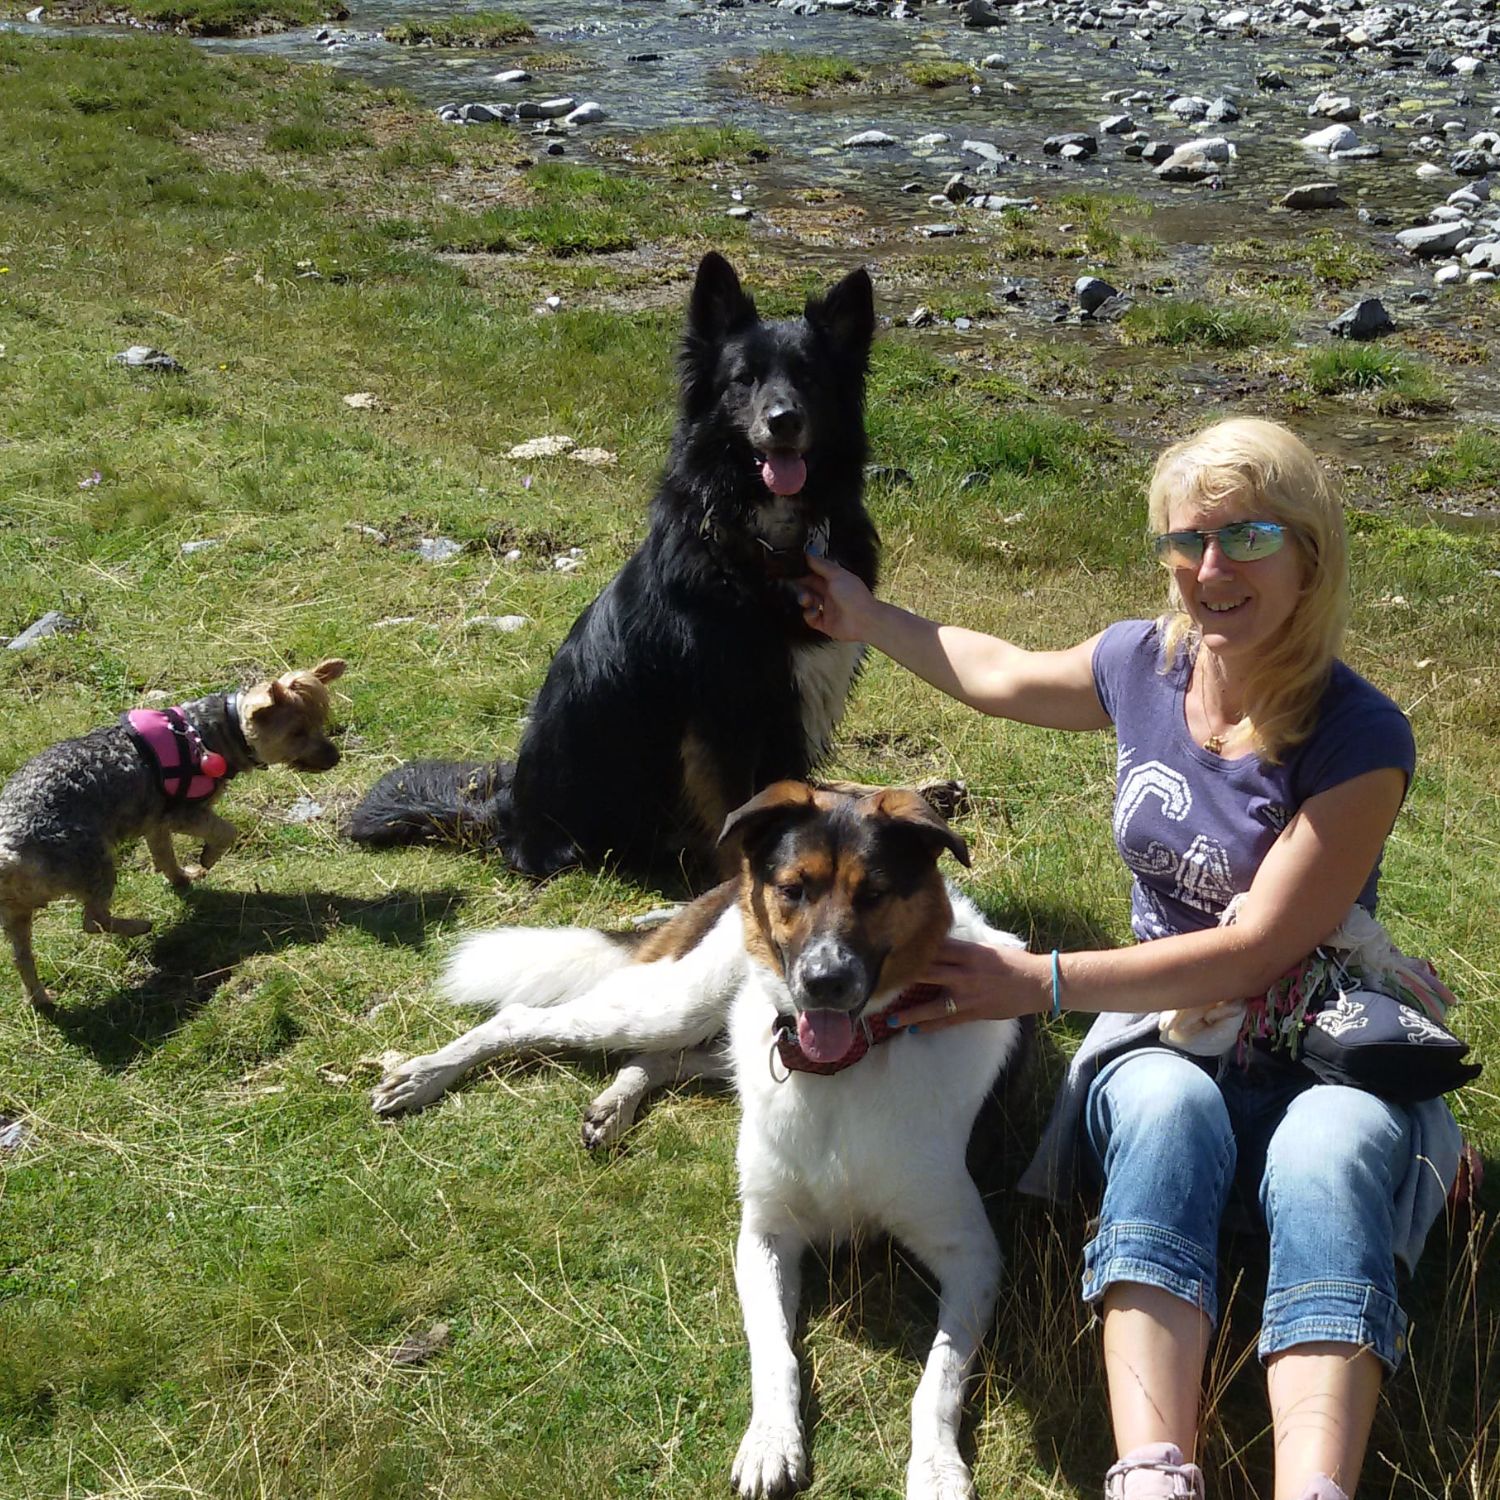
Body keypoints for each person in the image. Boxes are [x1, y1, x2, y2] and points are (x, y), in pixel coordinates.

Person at [796, 417, 1463, 1500]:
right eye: (1186, 539)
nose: (1212, 568)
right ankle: (1152, 1474)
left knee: (1327, 1156)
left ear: (1310, 553)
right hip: (1166, 1030)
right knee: (1164, 1115)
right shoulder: (1142, 665)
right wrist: (868, 617)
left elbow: (1255, 952)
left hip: (1313, 1032)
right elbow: (1000, 670)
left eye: (1248, 537)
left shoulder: (1359, 736)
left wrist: (1040, 984)